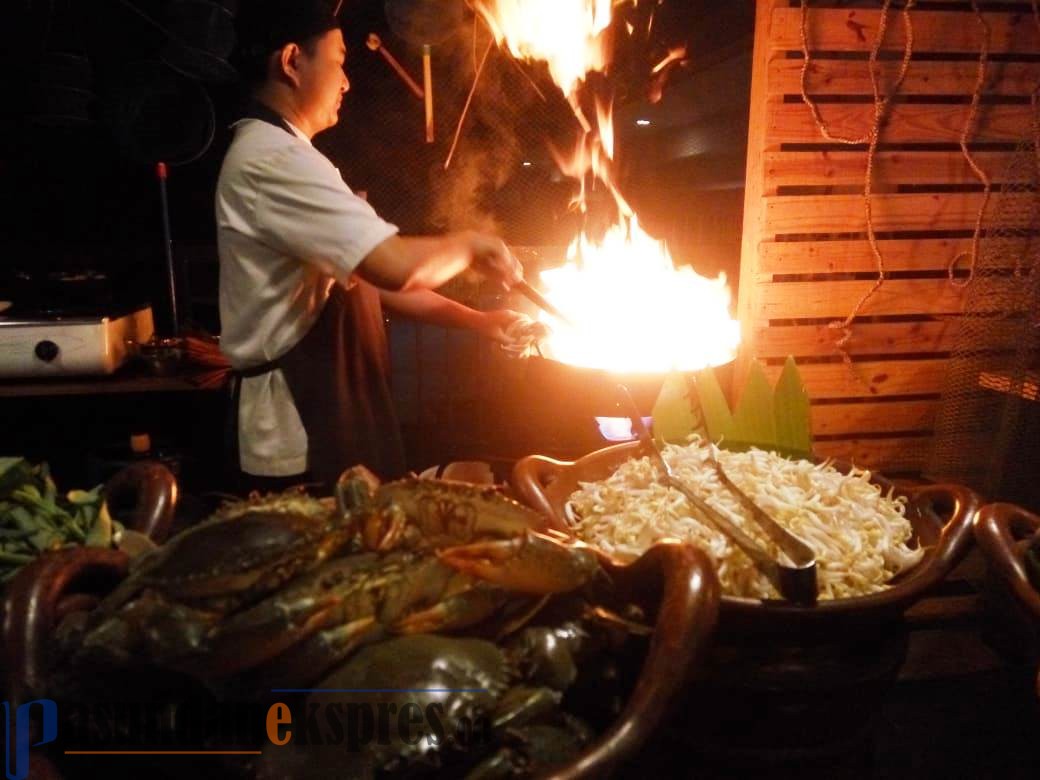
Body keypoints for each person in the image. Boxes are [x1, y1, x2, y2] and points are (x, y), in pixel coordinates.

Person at [217, 0, 526, 492]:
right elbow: (394, 267)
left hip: (333, 406)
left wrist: (481, 322)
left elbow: (369, 282)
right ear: (293, 60)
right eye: (339, 62)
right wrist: (471, 244)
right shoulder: (270, 161)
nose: (346, 82)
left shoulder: (296, 157)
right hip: (299, 433)